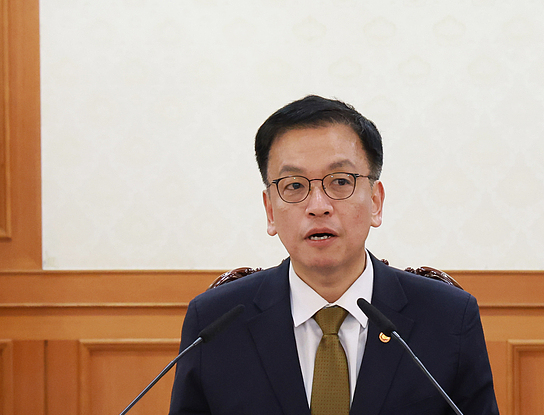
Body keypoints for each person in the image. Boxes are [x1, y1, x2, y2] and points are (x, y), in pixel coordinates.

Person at [168, 95, 499, 415]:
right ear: (270, 210)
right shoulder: (214, 323)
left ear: (375, 202)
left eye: (340, 181)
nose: (318, 206)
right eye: (294, 186)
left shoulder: (449, 318)